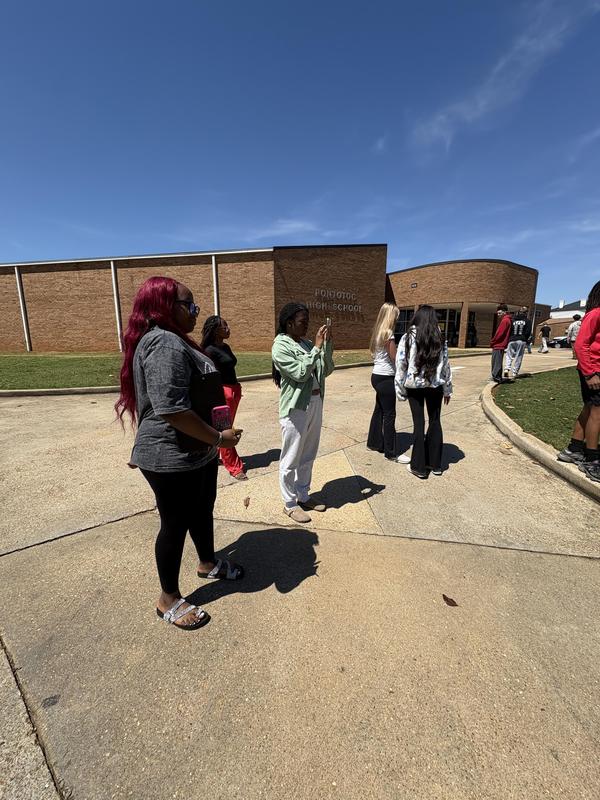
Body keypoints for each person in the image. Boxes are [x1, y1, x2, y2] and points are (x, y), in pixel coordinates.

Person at [115, 277, 244, 631]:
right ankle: (168, 598)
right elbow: (171, 409)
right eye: (189, 305)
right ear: (163, 306)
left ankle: (207, 563)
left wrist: (214, 438)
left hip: (195, 450)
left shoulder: (176, 342)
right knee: (175, 523)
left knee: (202, 508)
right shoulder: (163, 342)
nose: (195, 312)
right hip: (172, 455)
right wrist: (219, 438)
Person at [272, 302, 334, 523]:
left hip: (315, 401)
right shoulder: (280, 345)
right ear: (289, 323)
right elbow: (299, 373)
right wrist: (316, 349)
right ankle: (289, 504)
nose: (306, 326)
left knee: (308, 453)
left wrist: (325, 345)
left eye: (307, 322)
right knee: (291, 456)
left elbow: (326, 370)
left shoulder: (308, 343)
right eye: (302, 322)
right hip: (296, 407)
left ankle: (303, 494)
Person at [395, 305, 453, 478]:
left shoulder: (408, 337)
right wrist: (447, 389)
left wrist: (400, 389)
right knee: (435, 421)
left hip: (415, 387)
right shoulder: (440, 338)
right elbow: (446, 367)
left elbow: (401, 365)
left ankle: (418, 466)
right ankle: (435, 465)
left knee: (418, 425)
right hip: (435, 386)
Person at [558, 282, 600, 482]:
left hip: (594, 370)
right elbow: (581, 345)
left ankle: (574, 449)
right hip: (594, 371)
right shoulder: (595, 314)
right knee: (597, 414)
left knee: (589, 409)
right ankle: (591, 460)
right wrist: (590, 373)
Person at [201, 315, 247, 480]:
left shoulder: (225, 347)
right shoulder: (209, 351)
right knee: (226, 430)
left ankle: (214, 456)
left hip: (234, 390)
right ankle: (234, 467)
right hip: (223, 392)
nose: (228, 328)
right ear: (215, 330)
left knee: (222, 428)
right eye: (224, 326)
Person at [367, 302, 403, 462]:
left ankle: (374, 443)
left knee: (379, 410)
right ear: (390, 316)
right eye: (396, 315)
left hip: (376, 376)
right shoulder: (388, 333)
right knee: (390, 414)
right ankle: (391, 452)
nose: (397, 318)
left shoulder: (377, 332)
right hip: (387, 377)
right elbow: (395, 357)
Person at [504, 311, 532, 380]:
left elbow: (509, 330)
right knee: (518, 356)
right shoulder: (527, 321)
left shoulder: (512, 320)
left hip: (511, 339)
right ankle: (514, 373)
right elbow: (528, 332)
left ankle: (507, 369)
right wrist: (525, 339)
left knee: (509, 355)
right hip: (521, 340)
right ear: (525, 313)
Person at [490, 304, 512, 382]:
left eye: (499, 313)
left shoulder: (505, 320)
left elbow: (499, 333)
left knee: (496, 362)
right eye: (497, 313)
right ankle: (497, 376)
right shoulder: (507, 320)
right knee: (498, 362)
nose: (498, 315)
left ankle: (496, 377)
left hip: (498, 345)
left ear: (504, 312)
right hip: (500, 345)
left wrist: (493, 341)